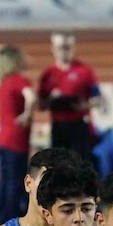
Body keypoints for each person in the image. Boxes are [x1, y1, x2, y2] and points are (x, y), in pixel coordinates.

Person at [38, 32, 100, 164]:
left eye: (68, 47)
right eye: (60, 47)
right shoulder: (48, 75)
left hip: (79, 126)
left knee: (81, 165)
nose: (64, 51)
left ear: (73, 48)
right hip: (58, 126)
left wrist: (84, 105)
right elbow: (41, 105)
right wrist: (51, 99)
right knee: (59, 166)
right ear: (53, 49)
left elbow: (98, 99)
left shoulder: (85, 71)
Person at [0, 45, 36, 225]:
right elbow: (31, 97)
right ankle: (11, 219)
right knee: (16, 182)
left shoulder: (2, 83)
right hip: (16, 139)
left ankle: (2, 215)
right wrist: (27, 114)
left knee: (5, 180)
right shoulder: (18, 80)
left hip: (3, 138)